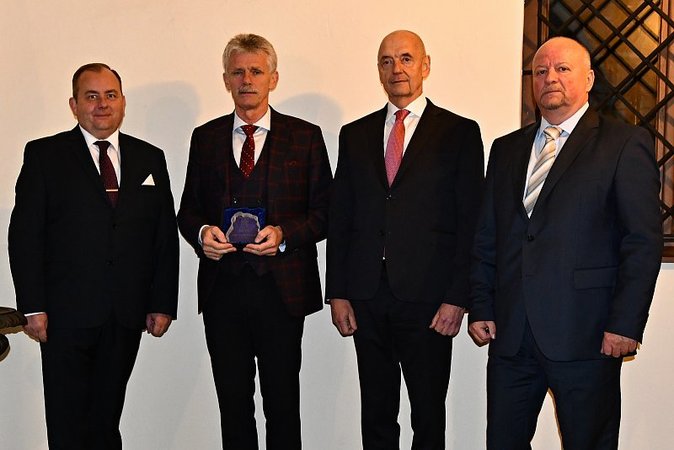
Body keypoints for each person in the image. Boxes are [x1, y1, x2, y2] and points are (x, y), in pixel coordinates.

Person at [468, 36, 662, 449]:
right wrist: (481, 305)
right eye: (540, 71)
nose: (549, 77)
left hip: (587, 336)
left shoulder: (623, 143)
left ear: (588, 79)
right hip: (512, 336)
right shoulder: (506, 149)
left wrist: (624, 323)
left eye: (562, 68)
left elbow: (642, 242)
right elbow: (487, 236)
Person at [8, 63, 179, 450]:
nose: (102, 104)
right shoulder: (45, 155)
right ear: (74, 105)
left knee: (106, 420)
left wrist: (162, 302)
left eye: (110, 95)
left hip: (126, 313)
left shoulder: (150, 158)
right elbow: (25, 236)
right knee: (68, 423)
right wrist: (32, 306)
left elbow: (163, 237)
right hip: (63, 315)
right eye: (91, 96)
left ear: (123, 102)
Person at [326, 30, 484, 449]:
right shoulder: (354, 135)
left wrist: (458, 298)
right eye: (387, 61)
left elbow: (471, 222)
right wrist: (338, 292)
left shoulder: (459, 133)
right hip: (366, 295)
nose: (396, 68)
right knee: (376, 412)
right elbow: (341, 218)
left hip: (430, 300)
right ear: (378, 71)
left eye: (406, 58)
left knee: (428, 414)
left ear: (425, 66)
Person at [177, 33, 332, 449]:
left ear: (273, 78)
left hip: (282, 292)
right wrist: (202, 234)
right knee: (232, 405)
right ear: (226, 80)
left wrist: (284, 235)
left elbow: (325, 213)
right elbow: (187, 211)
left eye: (256, 71)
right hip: (222, 291)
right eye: (238, 72)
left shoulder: (305, 136)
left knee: (282, 404)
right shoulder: (205, 138)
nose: (247, 80)